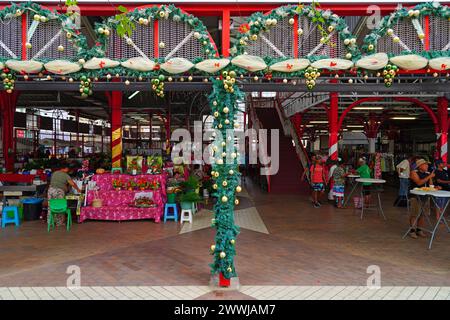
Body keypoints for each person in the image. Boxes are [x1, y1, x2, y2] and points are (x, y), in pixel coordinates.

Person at [408, 159, 435, 239]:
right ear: (420, 166)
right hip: (415, 196)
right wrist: (429, 176)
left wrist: (430, 178)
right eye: (425, 164)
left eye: (427, 165)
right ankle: (412, 230)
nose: (427, 166)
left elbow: (430, 185)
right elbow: (419, 182)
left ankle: (419, 230)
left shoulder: (427, 173)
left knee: (423, 214)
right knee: (415, 213)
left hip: (425, 196)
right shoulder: (414, 173)